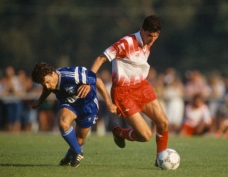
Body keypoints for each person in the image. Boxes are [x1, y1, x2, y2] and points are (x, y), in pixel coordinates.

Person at [90, 15, 169, 167]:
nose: (152, 40)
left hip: (142, 86)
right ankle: (118, 132)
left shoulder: (148, 42)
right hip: (123, 92)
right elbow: (101, 58)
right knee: (145, 136)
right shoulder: (126, 43)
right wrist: (88, 79)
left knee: (163, 122)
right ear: (142, 30)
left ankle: (160, 160)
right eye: (149, 36)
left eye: (156, 36)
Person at [31, 62, 116, 167]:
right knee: (63, 123)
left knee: (79, 139)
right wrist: (40, 101)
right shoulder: (50, 81)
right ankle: (77, 152)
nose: (48, 86)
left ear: (53, 73)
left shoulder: (73, 75)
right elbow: (46, 89)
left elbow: (98, 81)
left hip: (88, 105)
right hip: (69, 103)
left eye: (48, 82)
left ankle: (69, 155)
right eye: (44, 84)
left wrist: (108, 103)